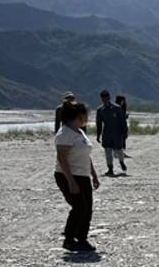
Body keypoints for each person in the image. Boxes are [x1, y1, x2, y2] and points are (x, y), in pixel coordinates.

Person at [54, 101, 100, 253]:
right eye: (85, 114)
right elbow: (62, 159)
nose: (87, 117)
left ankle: (81, 238)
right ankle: (69, 238)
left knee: (87, 208)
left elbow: (85, 155)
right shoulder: (65, 133)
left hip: (83, 174)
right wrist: (71, 181)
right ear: (79, 115)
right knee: (79, 207)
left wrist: (93, 174)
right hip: (68, 175)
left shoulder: (79, 131)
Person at [95, 90, 127, 177]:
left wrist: (124, 132)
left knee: (119, 150)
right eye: (103, 99)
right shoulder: (100, 110)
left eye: (106, 98)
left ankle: (121, 161)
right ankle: (110, 168)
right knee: (107, 151)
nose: (105, 100)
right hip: (106, 133)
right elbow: (98, 123)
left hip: (117, 132)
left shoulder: (117, 108)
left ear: (109, 98)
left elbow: (122, 121)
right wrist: (98, 135)